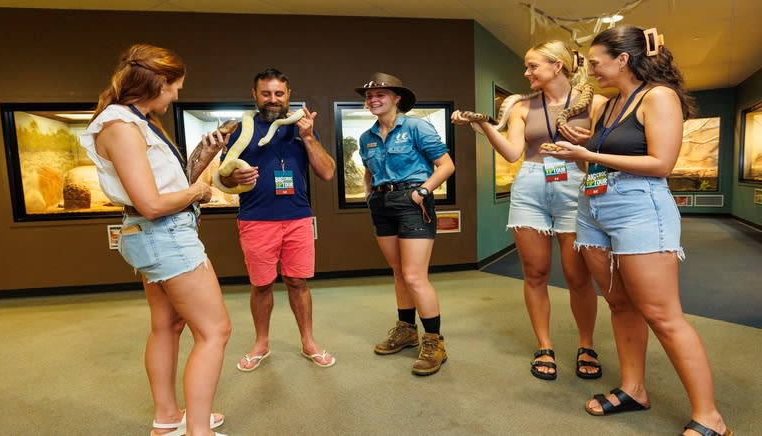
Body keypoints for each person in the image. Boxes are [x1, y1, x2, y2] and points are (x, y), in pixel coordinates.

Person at [541, 26, 732, 436]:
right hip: (594, 206)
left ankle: (710, 416)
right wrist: (577, 151)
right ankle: (634, 389)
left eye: (595, 63)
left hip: (639, 208)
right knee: (620, 304)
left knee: (663, 315)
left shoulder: (658, 97)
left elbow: (662, 163)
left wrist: (588, 151)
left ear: (622, 59)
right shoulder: (609, 106)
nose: (589, 71)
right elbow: (597, 164)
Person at [79, 44, 229, 436]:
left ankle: (167, 419)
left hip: (154, 237)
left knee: (167, 325)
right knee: (215, 331)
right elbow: (150, 203)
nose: (177, 95)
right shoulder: (121, 127)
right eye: (175, 87)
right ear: (157, 83)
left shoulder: (132, 121)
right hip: (166, 236)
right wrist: (199, 193)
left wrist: (202, 157)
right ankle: (199, 431)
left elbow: (163, 183)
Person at [451, 41, 607, 381]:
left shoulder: (596, 103)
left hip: (575, 185)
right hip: (531, 185)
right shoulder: (523, 106)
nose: (526, 72)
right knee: (534, 273)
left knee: (576, 275)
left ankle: (586, 344)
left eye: (533, 65)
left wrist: (586, 143)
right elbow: (511, 152)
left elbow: (609, 147)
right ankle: (544, 345)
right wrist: (485, 125)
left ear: (557, 66)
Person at [218, 68, 337, 371]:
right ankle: (261, 344)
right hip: (256, 220)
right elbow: (224, 180)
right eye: (266, 93)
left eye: (279, 94)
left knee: (298, 282)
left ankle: (309, 342)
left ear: (288, 95)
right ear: (254, 96)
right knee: (261, 285)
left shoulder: (301, 127)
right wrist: (236, 177)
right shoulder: (240, 132)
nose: (273, 99)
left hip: (297, 218)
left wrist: (308, 138)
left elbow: (327, 172)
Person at [355, 72, 456, 376]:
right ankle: (406, 330)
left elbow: (446, 165)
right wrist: (369, 194)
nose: (374, 99)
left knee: (414, 276)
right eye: (370, 96)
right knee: (399, 272)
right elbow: (369, 171)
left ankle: (434, 341)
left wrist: (422, 192)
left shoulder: (416, 127)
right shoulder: (367, 137)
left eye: (381, 94)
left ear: (397, 99)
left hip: (412, 203)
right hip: (382, 205)